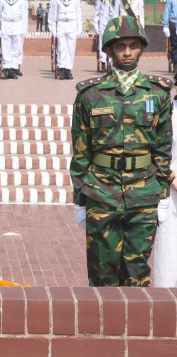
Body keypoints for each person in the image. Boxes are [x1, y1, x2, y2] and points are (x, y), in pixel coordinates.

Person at [70, 16, 174, 287]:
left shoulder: (157, 93)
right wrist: (79, 198)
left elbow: (162, 149)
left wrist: (162, 195)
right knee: (102, 272)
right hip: (102, 191)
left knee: (137, 273)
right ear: (108, 51)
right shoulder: (90, 94)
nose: (127, 52)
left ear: (141, 48)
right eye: (120, 47)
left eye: (132, 46)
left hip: (144, 192)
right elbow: (81, 150)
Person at [153, 98, 177, 288]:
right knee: (168, 263)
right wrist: (172, 178)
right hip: (170, 193)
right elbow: (153, 149)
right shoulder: (167, 110)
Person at [48, 0, 82, 80]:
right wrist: (52, 28)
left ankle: (68, 69)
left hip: (72, 24)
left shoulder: (76, 1)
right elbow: (53, 15)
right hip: (61, 24)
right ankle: (62, 69)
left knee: (71, 49)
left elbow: (79, 14)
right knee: (61, 48)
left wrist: (79, 28)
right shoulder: (57, 1)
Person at [0, 0, 28, 79]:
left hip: (17, 26)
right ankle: (6, 68)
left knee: (16, 49)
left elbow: (24, 16)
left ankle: (13, 69)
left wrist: (24, 30)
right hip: (5, 26)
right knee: (6, 49)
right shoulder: (2, 1)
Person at [93, 0, 115, 72]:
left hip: (112, 23)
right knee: (102, 43)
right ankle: (103, 63)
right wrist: (96, 27)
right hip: (103, 23)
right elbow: (96, 13)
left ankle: (110, 64)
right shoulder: (100, 1)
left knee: (112, 43)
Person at [163, 0, 177, 79]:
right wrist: (165, 25)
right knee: (174, 45)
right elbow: (167, 10)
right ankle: (176, 66)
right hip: (174, 23)